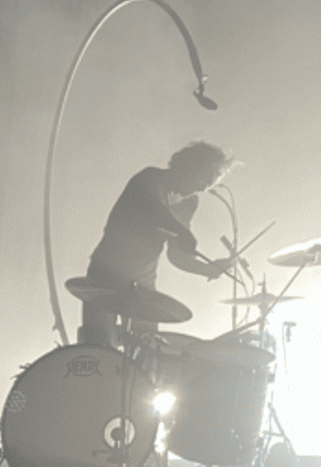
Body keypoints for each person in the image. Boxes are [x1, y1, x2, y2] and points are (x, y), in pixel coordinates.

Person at [80, 140, 235, 347]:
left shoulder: (189, 202)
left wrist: (208, 268)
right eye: (203, 179)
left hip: (143, 283)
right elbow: (155, 212)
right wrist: (182, 232)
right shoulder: (149, 178)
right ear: (189, 166)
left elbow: (177, 255)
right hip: (106, 274)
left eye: (208, 184)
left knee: (146, 353)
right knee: (99, 352)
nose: (201, 188)